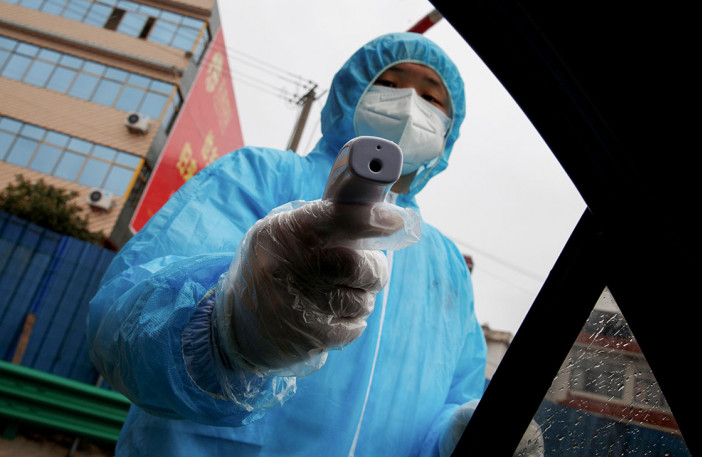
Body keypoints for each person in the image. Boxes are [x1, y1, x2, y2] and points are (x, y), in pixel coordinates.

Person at [88, 32, 488, 456]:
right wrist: (237, 329)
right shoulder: (257, 175)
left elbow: (453, 399)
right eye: (389, 83)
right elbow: (123, 325)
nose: (408, 103)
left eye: (431, 97)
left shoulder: (447, 266)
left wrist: (458, 433)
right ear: (351, 92)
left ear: (449, 129)